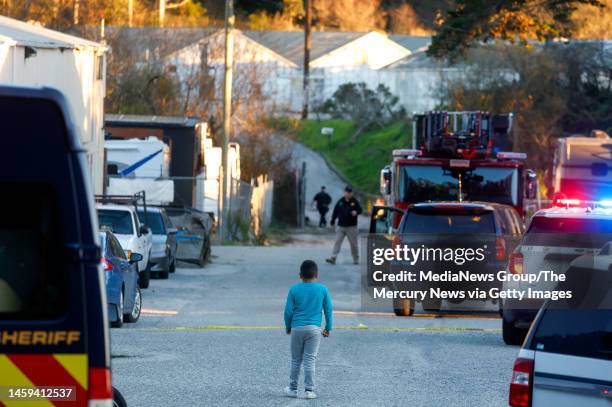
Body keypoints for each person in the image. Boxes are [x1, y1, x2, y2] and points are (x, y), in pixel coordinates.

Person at [283, 260, 332, 400]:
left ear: (300, 275)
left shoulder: (294, 289)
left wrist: (288, 326)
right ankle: (309, 391)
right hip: (314, 329)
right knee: (310, 359)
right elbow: (328, 310)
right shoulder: (323, 289)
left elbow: (288, 312)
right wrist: (328, 328)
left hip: (297, 328)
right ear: (317, 275)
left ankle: (292, 389)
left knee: (296, 360)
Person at [326, 186, 362, 265]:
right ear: (344, 192)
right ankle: (333, 257)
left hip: (351, 226)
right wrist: (332, 221)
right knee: (337, 242)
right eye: (347, 192)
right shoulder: (340, 201)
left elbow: (360, 210)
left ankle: (355, 258)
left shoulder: (355, 201)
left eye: (350, 193)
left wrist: (356, 212)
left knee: (353, 244)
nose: (348, 194)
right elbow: (335, 212)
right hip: (341, 226)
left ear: (351, 193)